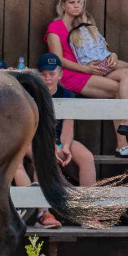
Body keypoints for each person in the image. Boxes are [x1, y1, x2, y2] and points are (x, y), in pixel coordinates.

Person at [45, 0, 128, 158]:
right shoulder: (55, 27)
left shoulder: (85, 24)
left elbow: (101, 47)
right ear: (63, 5)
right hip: (72, 74)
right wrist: (86, 69)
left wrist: (113, 55)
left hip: (92, 68)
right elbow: (58, 60)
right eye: (72, 2)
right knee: (118, 89)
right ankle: (123, 142)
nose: (76, 6)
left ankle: (127, 121)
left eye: (79, 2)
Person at [37, 53, 96, 187]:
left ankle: (87, 204)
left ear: (60, 75)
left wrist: (65, 147)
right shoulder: (34, 94)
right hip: (40, 139)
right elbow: (36, 127)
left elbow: (68, 126)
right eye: (43, 74)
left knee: (87, 157)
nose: (47, 78)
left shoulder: (67, 95)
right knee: (44, 159)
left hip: (62, 138)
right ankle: (43, 208)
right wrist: (51, 146)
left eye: (52, 74)